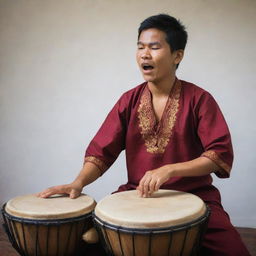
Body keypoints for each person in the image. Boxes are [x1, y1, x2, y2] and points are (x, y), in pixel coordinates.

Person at [38, 14, 250, 256]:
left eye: (154, 47)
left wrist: (170, 169)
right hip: (137, 194)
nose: (144, 54)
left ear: (177, 55)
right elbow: (101, 151)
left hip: (196, 197)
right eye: (140, 47)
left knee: (234, 250)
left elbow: (218, 153)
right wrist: (78, 183)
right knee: (85, 241)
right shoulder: (129, 101)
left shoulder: (200, 100)